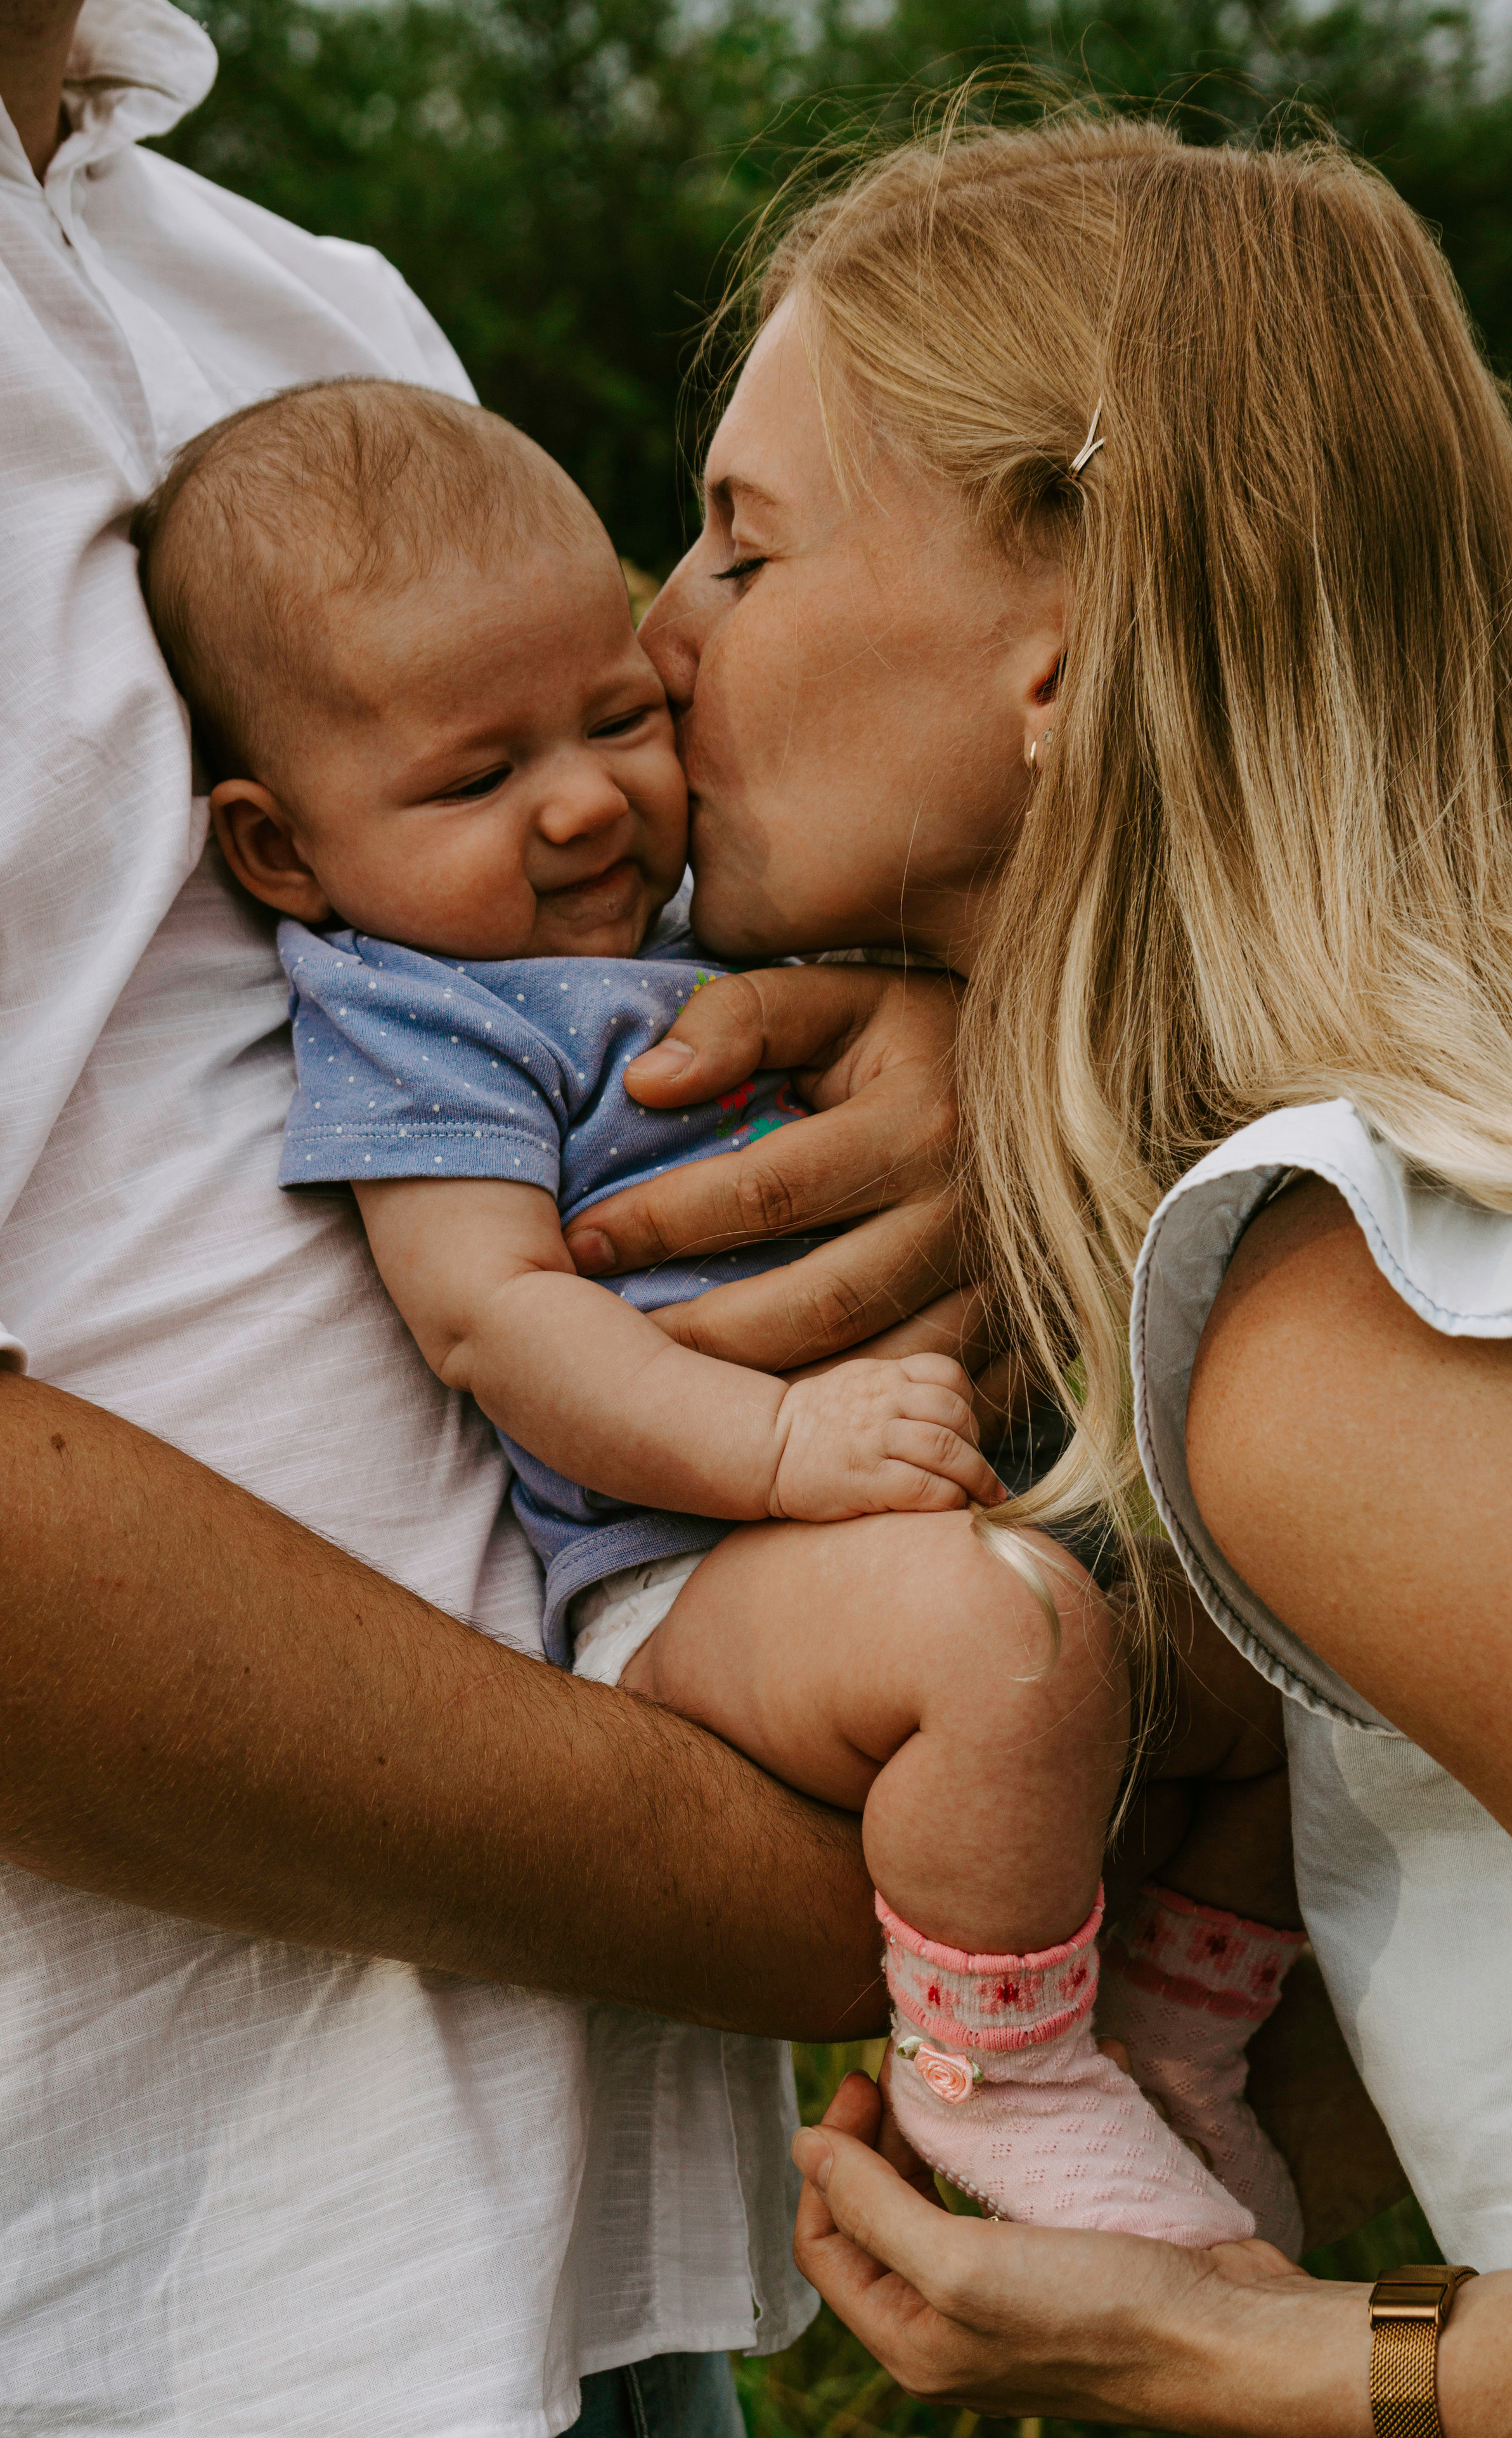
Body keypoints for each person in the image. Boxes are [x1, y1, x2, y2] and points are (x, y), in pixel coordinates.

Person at [0, 4, 979, 2428]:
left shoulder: (292, 293)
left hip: (573, 2205)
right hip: (135, 2288)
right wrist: (779, 1893)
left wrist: (924, 1036)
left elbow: (624, 900)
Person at [617, 105, 1512, 2420]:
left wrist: (1269, 2358)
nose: (652, 634)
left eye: (744, 548)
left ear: (1062, 661)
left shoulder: (1341, 1337)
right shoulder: (1466, 1209)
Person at [129, 370, 1308, 2247]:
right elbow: (493, 1315)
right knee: (1008, 1647)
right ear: (280, 850)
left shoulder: (703, 925)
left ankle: (1179, 2040)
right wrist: (775, 1442)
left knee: (1259, 1669)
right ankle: (997, 2078)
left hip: (919, 1505)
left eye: (619, 717)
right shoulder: (420, 1009)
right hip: (696, 1574)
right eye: (476, 779)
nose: (585, 800)